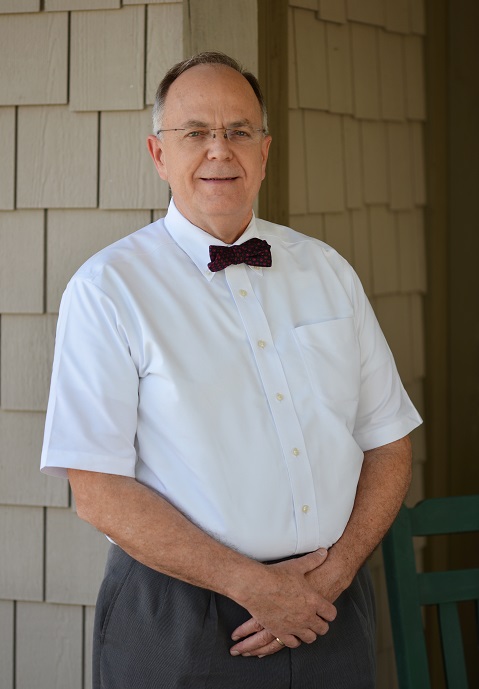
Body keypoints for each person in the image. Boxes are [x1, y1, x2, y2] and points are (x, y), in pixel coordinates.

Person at [41, 51, 422, 689]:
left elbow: (389, 443)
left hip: (330, 605)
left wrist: (334, 573)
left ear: (264, 152)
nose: (220, 150)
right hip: (179, 620)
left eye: (239, 131)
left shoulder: (328, 272)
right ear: (159, 154)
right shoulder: (108, 289)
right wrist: (255, 587)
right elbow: (97, 489)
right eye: (195, 133)